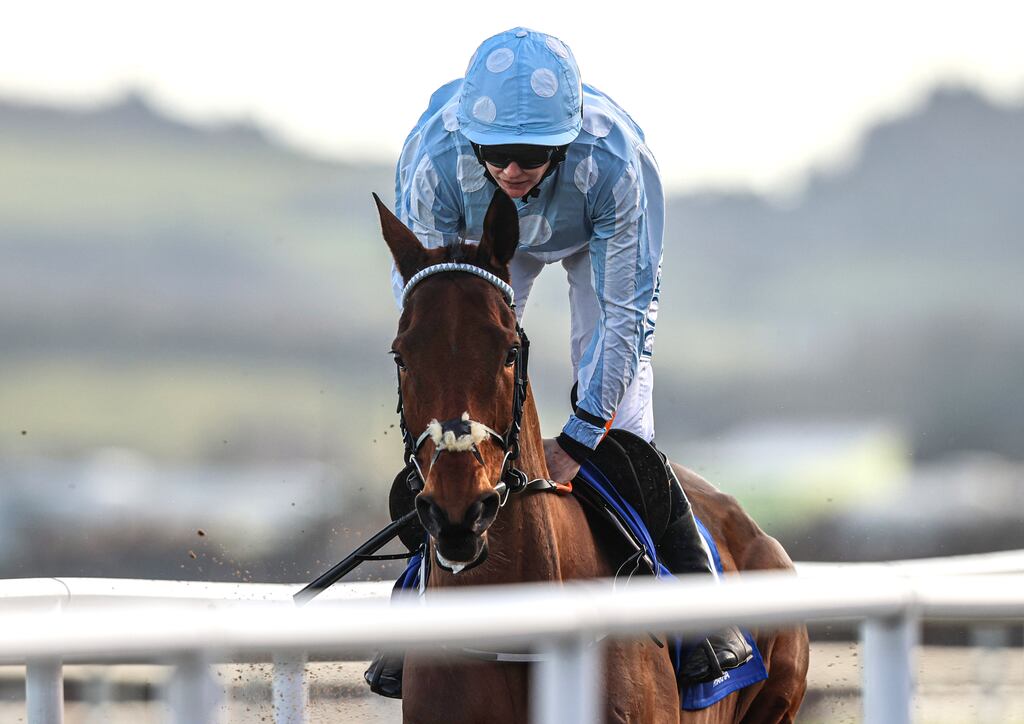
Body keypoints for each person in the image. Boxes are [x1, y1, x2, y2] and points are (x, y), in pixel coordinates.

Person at [376, 27, 751, 693]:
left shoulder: (614, 165)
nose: (514, 169)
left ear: (566, 140)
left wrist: (581, 436)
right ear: (470, 137)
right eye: (497, 153)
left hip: (594, 240)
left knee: (625, 432)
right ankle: (413, 602)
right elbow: (428, 321)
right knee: (456, 384)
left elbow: (623, 319)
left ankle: (703, 618)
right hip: (480, 243)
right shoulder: (435, 163)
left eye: (532, 154)